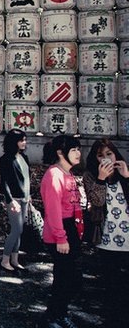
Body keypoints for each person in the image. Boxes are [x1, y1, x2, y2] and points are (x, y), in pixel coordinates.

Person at [82, 139, 128, 328]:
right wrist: (101, 179)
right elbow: (97, 202)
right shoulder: (90, 176)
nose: (106, 158)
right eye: (100, 155)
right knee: (111, 284)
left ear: (116, 154)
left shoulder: (124, 172)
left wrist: (126, 176)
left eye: (109, 153)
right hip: (106, 238)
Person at [40, 135, 83, 328]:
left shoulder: (68, 173)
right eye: (73, 150)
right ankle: (52, 317)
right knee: (64, 277)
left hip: (70, 229)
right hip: (60, 230)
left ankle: (60, 313)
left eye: (78, 149)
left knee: (69, 277)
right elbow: (54, 210)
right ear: (60, 152)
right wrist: (61, 237)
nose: (78, 153)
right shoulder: (54, 175)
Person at [0, 129, 30, 272]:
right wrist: (10, 200)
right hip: (14, 199)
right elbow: (4, 182)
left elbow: (26, 179)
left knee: (20, 230)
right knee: (16, 230)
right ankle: (5, 259)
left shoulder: (24, 157)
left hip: (24, 198)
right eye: (21, 140)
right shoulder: (6, 159)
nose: (24, 143)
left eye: (25, 140)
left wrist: (28, 196)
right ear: (13, 142)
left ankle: (15, 259)